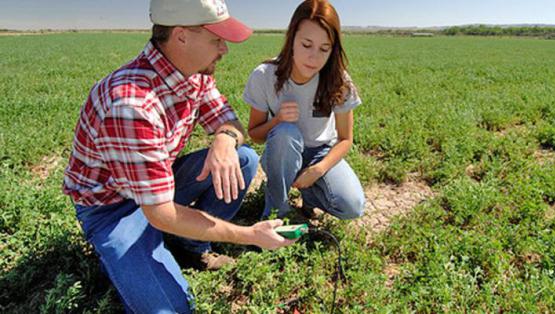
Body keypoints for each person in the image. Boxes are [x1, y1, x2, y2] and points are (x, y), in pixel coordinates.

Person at [63, 0, 294, 312]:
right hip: (112, 207)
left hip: (156, 184)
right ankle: (125, 253)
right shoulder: (132, 105)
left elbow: (230, 122)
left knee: (242, 158)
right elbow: (161, 213)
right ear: (182, 36)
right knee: (174, 308)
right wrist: (250, 235)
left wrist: (225, 140)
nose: (224, 49)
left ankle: (189, 243)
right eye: (216, 39)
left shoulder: (194, 73)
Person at [244, 0, 365, 220]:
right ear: (292, 39)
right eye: (306, 45)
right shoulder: (264, 76)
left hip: (321, 151)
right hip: (282, 149)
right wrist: (278, 120)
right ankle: (276, 210)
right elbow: (255, 135)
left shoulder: (338, 81)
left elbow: (346, 139)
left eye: (324, 49)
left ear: (333, 49)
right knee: (285, 133)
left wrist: (318, 169)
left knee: (352, 206)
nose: (314, 57)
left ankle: (308, 195)